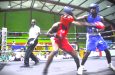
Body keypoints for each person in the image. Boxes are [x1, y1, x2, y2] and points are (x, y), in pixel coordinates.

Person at [43, 6, 102, 75]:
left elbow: (80, 24)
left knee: (75, 55)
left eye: (68, 15)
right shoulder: (56, 25)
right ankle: (45, 70)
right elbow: (47, 34)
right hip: (55, 39)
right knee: (55, 51)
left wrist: (93, 24)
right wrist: (55, 35)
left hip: (63, 39)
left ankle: (78, 68)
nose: (67, 17)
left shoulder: (69, 22)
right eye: (66, 15)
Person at [76, 3, 115, 74]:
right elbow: (76, 18)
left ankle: (109, 64)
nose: (91, 10)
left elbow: (103, 27)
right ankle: (81, 67)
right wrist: (70, 14)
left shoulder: (100, 18)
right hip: (90, 36)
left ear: (96, 9)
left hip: (98, 36)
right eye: (91, 8)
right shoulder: (86, 16)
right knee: (88, 52)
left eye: (93, 8)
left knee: (107, 50)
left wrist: (99, 30)